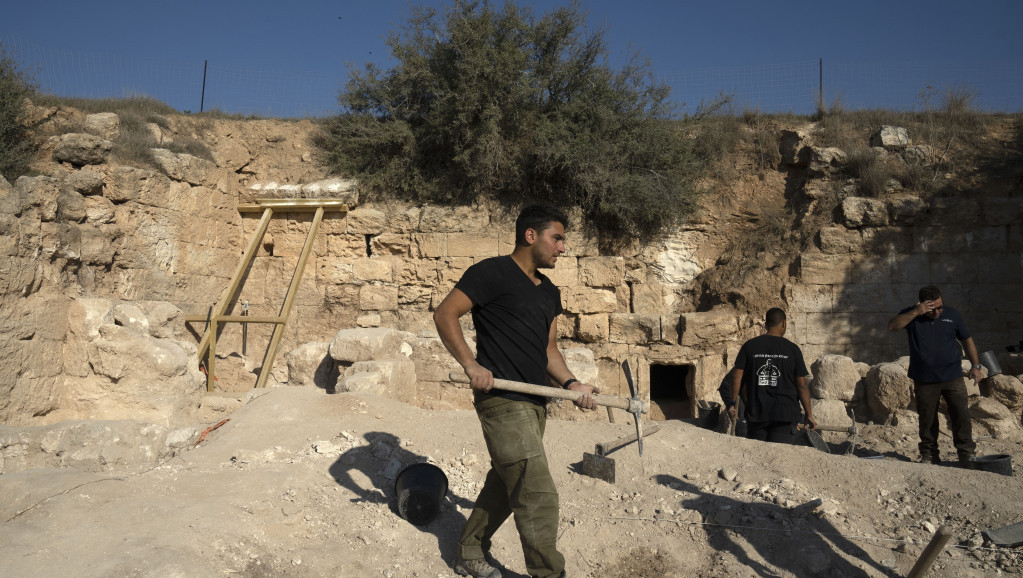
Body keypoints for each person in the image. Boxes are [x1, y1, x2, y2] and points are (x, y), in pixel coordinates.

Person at [433, 205, 598, 578]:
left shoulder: (549, 291)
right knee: (537, 493)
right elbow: (445, 314)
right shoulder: (491, 273)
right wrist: (471, 365)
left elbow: (548, 351)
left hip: (536, 402)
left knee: (508, 482)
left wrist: (572, 384)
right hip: (502, 401)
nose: (562, 248)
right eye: (556, 238)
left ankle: (469, 551)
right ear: (530, 236)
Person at [887, 285, 980, 468]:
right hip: (924, 379)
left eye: (940, 307)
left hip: (952, 376)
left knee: (961, 416)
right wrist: (916, 312)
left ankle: (966, 454)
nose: (937, 311)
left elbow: (967, 340)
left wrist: (976, 366)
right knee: (927, 419)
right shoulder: (912, 315)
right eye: (933, 308)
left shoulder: (953, 315)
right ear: (922, 305)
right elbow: (892, 326)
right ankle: (929, 455)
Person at [727, 308, 815, 443]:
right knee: (779, 458)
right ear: (784, 323)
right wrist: (809, 414)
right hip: (785, 414)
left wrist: (732, 403)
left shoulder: (750, 346)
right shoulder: (792, 349)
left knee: (758, 457)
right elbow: (802, 385)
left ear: (765, 324)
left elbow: (736, 376)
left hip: (757, 413)